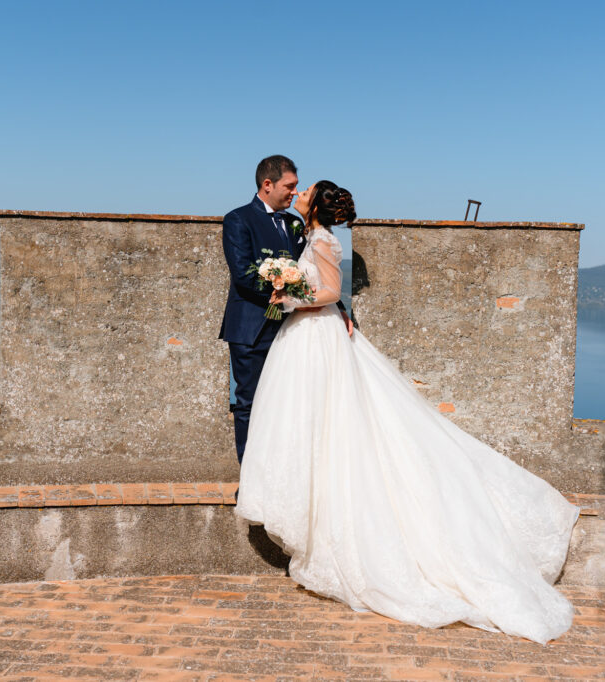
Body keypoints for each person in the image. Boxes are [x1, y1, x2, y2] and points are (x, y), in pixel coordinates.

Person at [233, 180, 580, 644]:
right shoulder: (306, 233)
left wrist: (289, 296)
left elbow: (331, 291)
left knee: (335, 423)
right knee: (310, 423)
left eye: (305, 190)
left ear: (314, 203)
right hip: (305, 338)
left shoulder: (322, 239)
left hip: (317, 336)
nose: (298, 194)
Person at [219, 155, 352, 463]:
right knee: (249, 402)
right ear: (268, 184)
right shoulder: (238, 220)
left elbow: (319, 272)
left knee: (289, 404)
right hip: (251, 329)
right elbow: (244, 274)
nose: (295, 193)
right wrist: (284, 292)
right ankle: (250, 476)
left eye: (297, 188)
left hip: (291, 331)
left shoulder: (296, 224)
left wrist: (339, 306)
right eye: (289, 186)